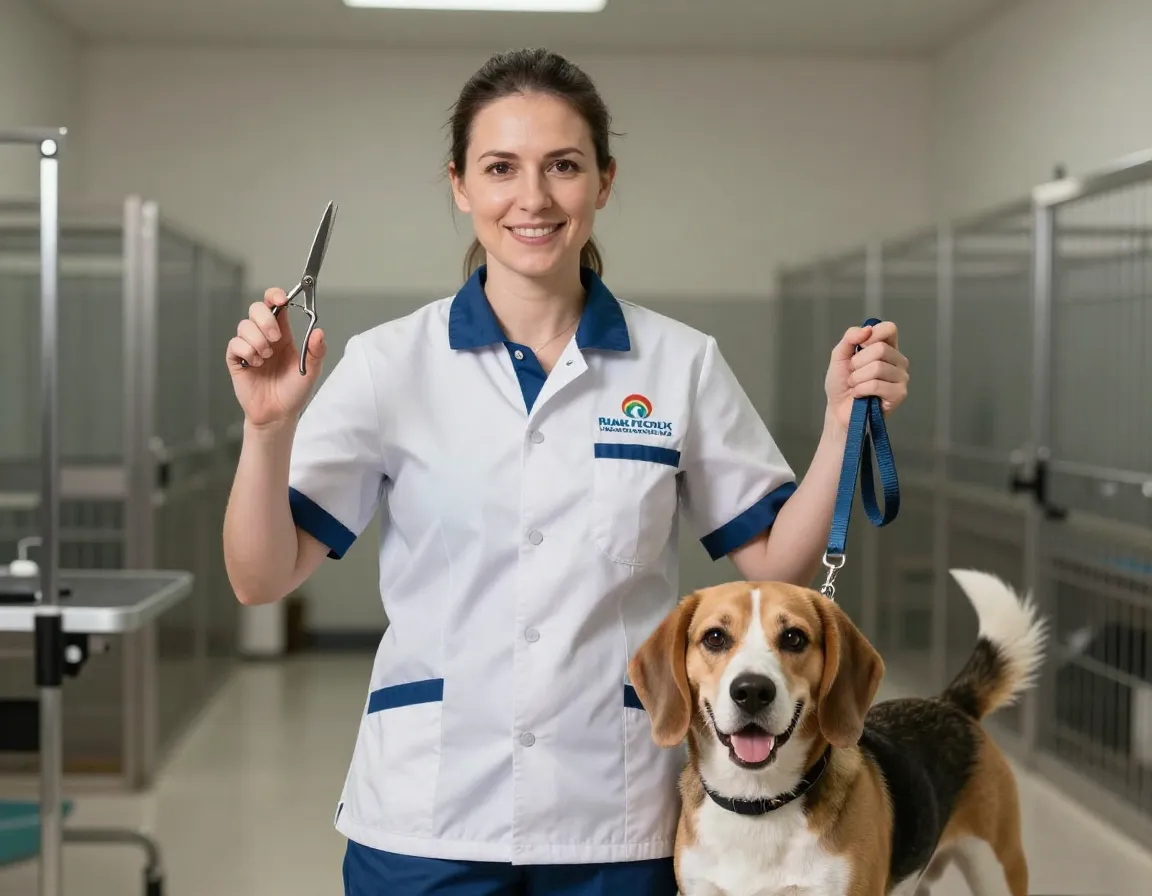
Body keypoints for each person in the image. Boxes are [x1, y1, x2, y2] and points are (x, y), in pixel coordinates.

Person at [222, 47, 909, 896]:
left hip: (615, 815)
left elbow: (772, 562)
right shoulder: (389, 364)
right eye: (501, 167)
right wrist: (267, 429)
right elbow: (258, 577)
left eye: (564, 167)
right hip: (426, 811)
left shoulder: (679, 364)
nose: (533, 198)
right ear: (460, 185)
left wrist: (843, 424)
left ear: (604, 182)